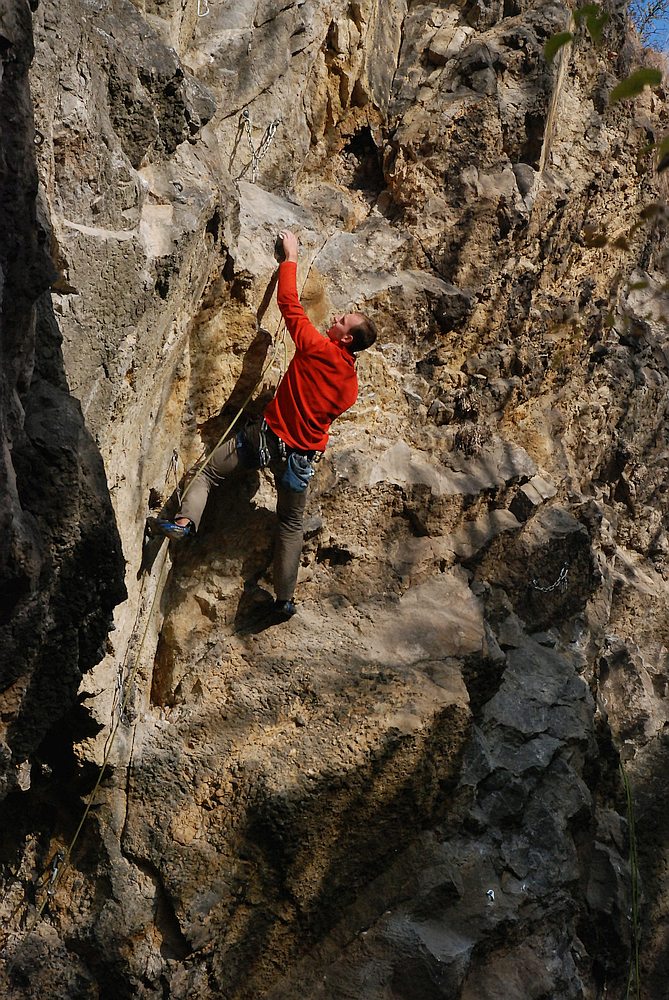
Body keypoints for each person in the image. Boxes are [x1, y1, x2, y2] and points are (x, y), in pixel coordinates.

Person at [148, 230, 377, 619]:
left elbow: (289, 304)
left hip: (266, 440)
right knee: (290, 524)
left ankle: (184, 523)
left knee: (207, 473)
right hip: (301, 459)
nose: (335, 318)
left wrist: (290, 257)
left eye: (341, 321)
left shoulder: (318, 348)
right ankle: (285, 600)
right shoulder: (351, 387)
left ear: (345, 339)